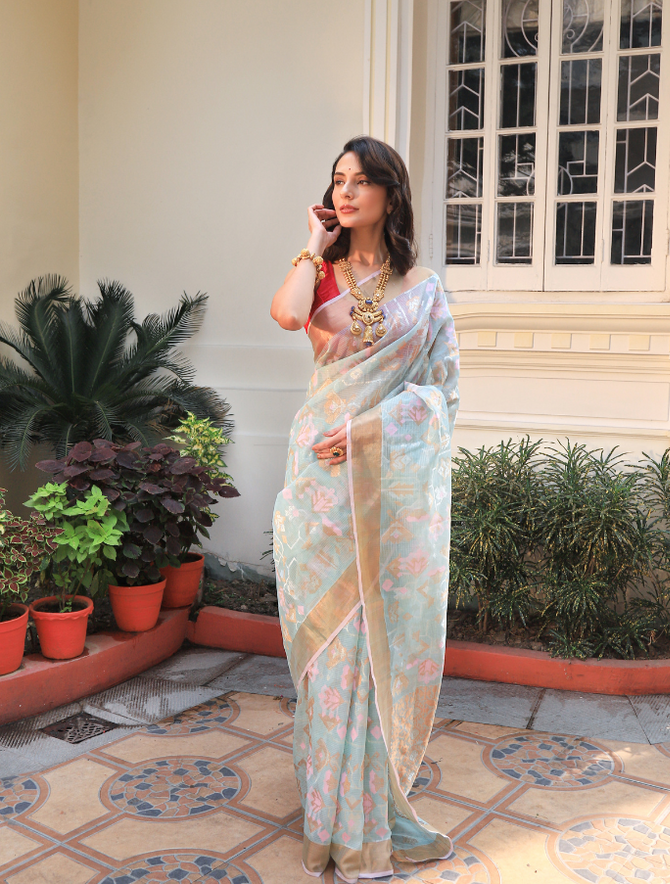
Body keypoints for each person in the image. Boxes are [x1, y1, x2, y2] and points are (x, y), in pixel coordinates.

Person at [270, 135, 460, 883]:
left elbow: (440, 397)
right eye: (337, 182)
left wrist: (372, 430)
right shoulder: (319, 273)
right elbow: (288, 318)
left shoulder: (420, 287)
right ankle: (330, 810)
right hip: (317, 492)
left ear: (389, 191)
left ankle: (361, 821)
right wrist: (311, 244)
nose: (345, 193)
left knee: (365, 651)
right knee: (326, 659)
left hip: (377, 489)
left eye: (360, 182)